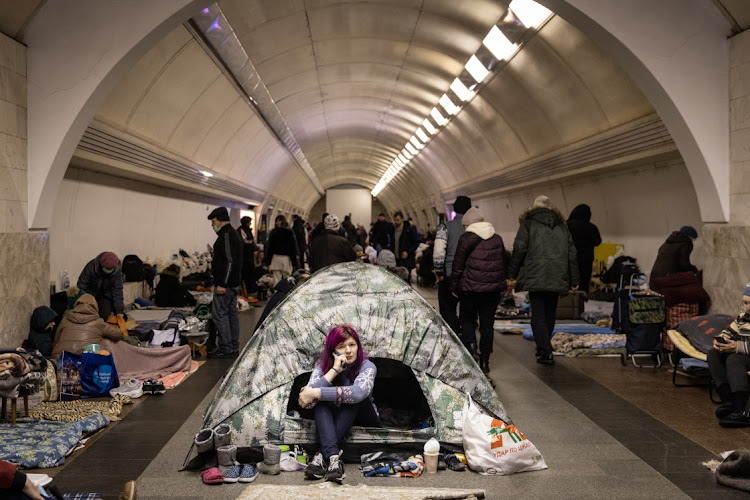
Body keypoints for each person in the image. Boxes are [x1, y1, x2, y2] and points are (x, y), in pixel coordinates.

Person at [298, 325, 381, 483]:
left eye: (352, 345)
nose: (348, 351)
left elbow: (357, 394)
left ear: (358, 346)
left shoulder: (367, 366)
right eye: (341, 347)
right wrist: (334, 370)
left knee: (351, 397)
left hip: (365, 417)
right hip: (337, 418)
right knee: (320, 400)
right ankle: (334, 460)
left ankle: (321, 455)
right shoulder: (322, 369)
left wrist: (315, 393)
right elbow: (307, 403)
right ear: (332, 350)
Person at [507, 195, 579, 365]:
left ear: (534, 207)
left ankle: (544, 351)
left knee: (538, 314)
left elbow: (519, 249)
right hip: (557, 273)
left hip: (536, 273)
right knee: (550, 313)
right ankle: (545, 347)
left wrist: (512, 274)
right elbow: (572, 253)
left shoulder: (528, 223)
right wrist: (574, 278)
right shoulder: (562, 226)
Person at [450, 207, 506, 373]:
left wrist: (454, 286)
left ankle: (471, 345)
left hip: (470, 288)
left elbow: (458, 265)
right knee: (487, 325)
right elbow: (503, 262)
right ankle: (485, 361)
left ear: (468, 224)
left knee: (467, 318)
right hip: (492, 290)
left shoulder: (466, 238)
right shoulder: (497, 238)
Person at [708, 283, 750, 428]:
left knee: (734, 359)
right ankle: (730, 401)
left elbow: (738, 349)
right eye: (745, 303)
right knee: (714, 354)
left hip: (744, 354)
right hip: (744, 353)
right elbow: (729, 331)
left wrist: (737, 347)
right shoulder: (744, 317)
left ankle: (743, 410)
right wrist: (721, 340)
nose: (747, 307)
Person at [207, 206, 243, 359]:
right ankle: (233, 345)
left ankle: (226, 347)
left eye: (213, 222)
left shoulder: (226, 236)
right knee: (231, 314)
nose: (212, 225)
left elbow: (229, 261)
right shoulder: (233, 234)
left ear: (221, 221)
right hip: (234, 283)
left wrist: (222, 283)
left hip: (226, 285)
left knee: (220, 315)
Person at [434, 195, 472, 335]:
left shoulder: (445, 227)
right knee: (468, 311)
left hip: (449, 274)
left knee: (448, 308)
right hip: (470, 276)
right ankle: (469, 340)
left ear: (455, 209)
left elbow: (438, 252)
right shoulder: (474, 229)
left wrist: (439, 273)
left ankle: (454, 336)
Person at [51, 294, 124, 361]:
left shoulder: (65, 319)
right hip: (86, 360)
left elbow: (56, 340)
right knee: (104, 340)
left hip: (62, 359)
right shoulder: (98, 322)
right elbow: (119, 334)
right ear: (95, 307)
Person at [77, 251, 124, 320]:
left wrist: (119, 311)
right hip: (90, 295)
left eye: (110, 270)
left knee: (105, 316)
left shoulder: (117, 273)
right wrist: (90, 300)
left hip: (105, 297)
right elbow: (82, 286)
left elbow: (118, 291)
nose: (107, 271)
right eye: (106, 269)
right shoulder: (91, 267)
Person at [566, 204, 602, 293]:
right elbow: (597, 242)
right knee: (583, 285)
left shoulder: (566, 226)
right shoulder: (591, 227)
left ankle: (567, 304)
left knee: (569, 284)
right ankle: (581, 304)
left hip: (568, 260)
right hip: (586, 261)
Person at [265, 214, 299, 287]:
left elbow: (270, 248)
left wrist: (268, 261)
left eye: (279, 221)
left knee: (276, 279)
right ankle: (286, 295)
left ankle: (277, 295)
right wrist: (294, 262)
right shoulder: (289, 232)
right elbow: (292, 248)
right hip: (286, 259)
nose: (277, 223)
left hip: (275, 258)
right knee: (287, 279)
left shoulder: (273, 232)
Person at [390, 211, 419, 284]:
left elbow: (416, 242)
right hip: (396, 259)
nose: (396, 222)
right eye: (395, 220)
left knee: (406, 281)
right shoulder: (393, 229)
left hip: (406, 260)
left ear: (402, 219)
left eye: (397, 220)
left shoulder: (409, 229)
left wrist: (408, 252)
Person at [238, 216, 257, 295]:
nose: (250, 224)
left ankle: (250, 290)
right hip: (244, 257)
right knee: (245, 274)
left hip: (249, 257)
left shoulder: (247, 231)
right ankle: (246, 291)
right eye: (250, 222)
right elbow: (246, 242)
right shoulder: (241, 231)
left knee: (250, 274)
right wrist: (254, 247)